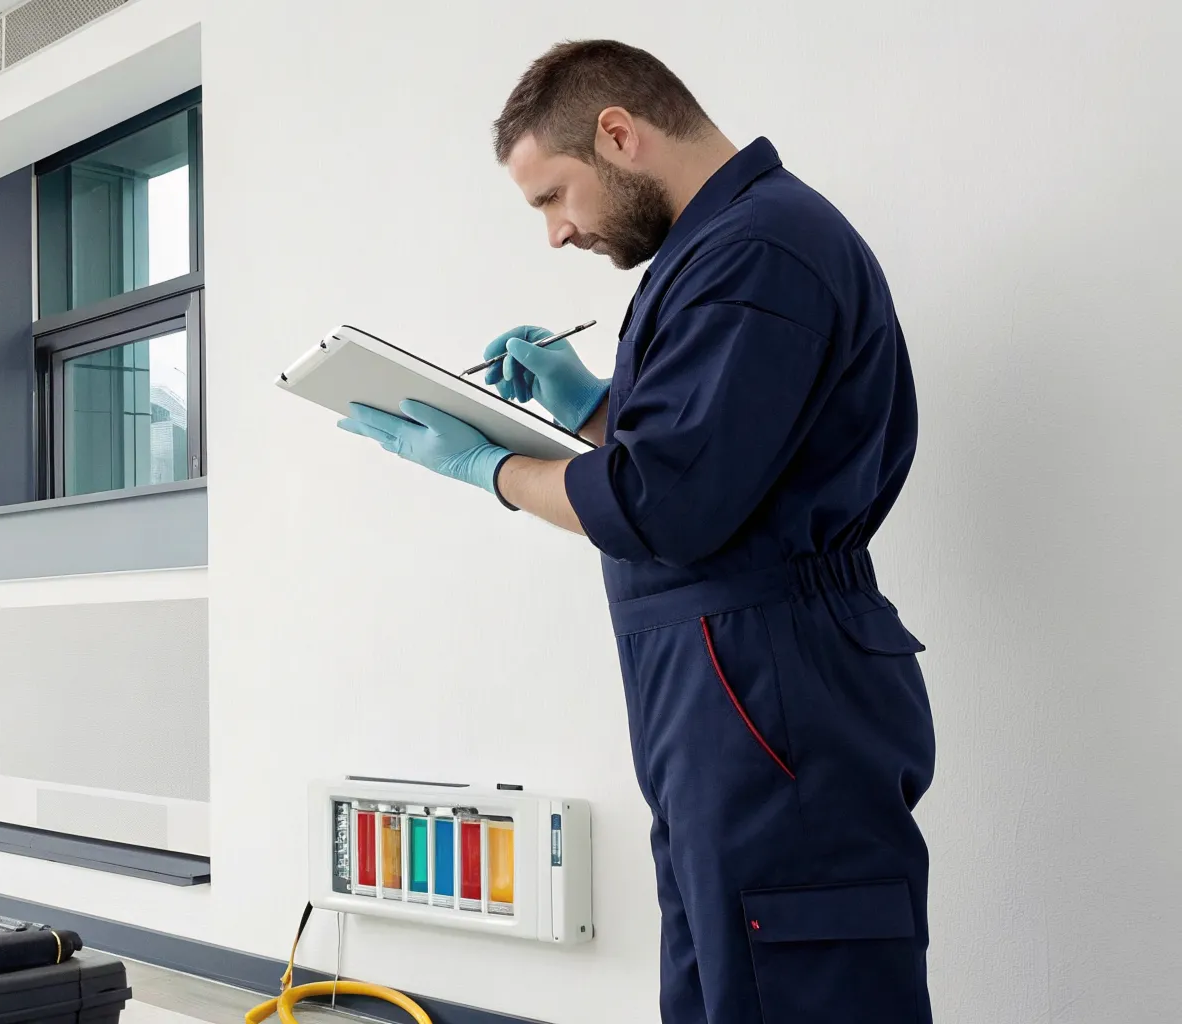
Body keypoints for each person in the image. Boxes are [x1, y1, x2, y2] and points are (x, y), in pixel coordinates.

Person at [337, 40, 935, 1024]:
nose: (556, 233)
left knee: (799, 987)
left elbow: (665, 504)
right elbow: (713, 462)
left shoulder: (755, 252)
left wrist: (485, 464)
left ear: (618, 134)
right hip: (723, 694)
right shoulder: (723, 247)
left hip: (766, 689)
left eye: (552, 196)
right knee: (721, 986)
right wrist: (585, 418)